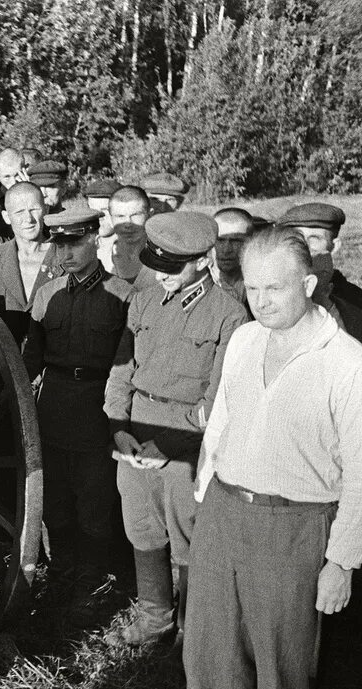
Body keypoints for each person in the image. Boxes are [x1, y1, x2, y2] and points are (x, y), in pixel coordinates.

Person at [186, 228, 362, 689]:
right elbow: (220, 422)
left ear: (306, 285)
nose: (260, 301)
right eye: (252, 287)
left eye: (274, 288)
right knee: (208, 659)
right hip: (222, 517)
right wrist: (205, 497)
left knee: (279, 667)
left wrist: (341, 562)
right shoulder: (245, 338)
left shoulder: (348, 364)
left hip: (293, 531)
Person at [104, 211, 248, 651]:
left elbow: (219, 399)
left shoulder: (230, 316)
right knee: (142, 530)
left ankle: (191, 631)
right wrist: (118, 426)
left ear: (203, 261)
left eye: (174, 267)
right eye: (157, 265)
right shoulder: (144, 302)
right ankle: (154, 619)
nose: (162, 276)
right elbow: (121, 371)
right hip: (132, 441)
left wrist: (168, 444)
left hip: (185, 448)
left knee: (188, 539)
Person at [23, 208, 132, 595]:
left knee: (94, 500)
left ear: (95, 240)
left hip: (96, 407)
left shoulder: (122, 296)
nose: (65, 253)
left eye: (75, 243)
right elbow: (29, 360)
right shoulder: (47, 295)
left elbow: (129, 366)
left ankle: (91, 578)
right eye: (60, 245)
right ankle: (61, 572)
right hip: (52, 408)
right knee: (55, 500)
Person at [0, 182, 63, 341]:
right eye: (19, 212)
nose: (28, 219)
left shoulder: (65, 258)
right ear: (6, 217)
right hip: (5, 361)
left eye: (34, 209)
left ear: (46, 210)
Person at [276, 202, 362, 329]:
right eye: (297, 237)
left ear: (335, 246)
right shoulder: (270, 290)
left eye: (314, 238)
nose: (304, 245)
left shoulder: (354, 300)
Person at [107, 185, 153, 286]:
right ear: (110, 219)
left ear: (149, 215)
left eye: (136, 215)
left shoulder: (163, 255)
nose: (128, 223)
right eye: (120, 216)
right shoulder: (98, 256)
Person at [211, 207, 252, 306]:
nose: (226, 249)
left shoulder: (260, 280)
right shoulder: (196, 280)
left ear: (250, 242)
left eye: (236, 241)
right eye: (220, 240)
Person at [83, 179, 121, 270]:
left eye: (105, 210)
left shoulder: (135, 248)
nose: (99, 216)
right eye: (93, 210)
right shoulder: (82, 247)